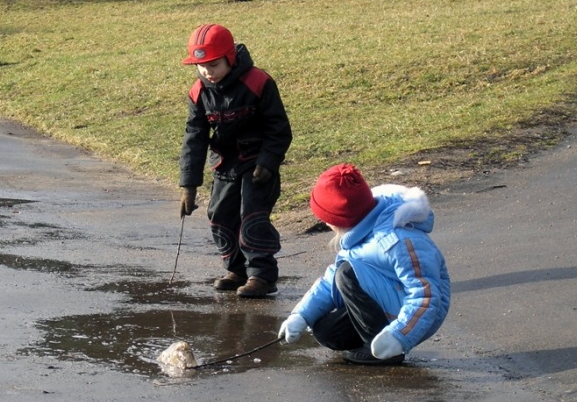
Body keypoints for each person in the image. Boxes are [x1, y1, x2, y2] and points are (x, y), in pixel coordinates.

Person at [279, 163, 450, 364]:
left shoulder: (398, 241)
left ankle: (385, 352)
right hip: (389, 303)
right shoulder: (361, 229)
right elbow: (329, 281)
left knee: (346, 273)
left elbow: (426, 296)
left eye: (326, 219)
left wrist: (399, 336)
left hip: (415, 317)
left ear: (340, 219)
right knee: (326, 331)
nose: (325, 224)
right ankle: (376, 342)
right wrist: (301, 316)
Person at [178, 23, 293, 298]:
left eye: (214, 64)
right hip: (225, 164)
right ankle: (236, 270)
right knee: (219, 215)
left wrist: (268, 162)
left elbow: (279, 129)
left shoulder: (258, 82)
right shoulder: (199, 92)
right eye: (201, 66)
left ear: (230, 58)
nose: (207, 72)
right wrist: (189, 186)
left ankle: (261, 276)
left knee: (251, 215)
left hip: (257, 164)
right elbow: (194, 137)